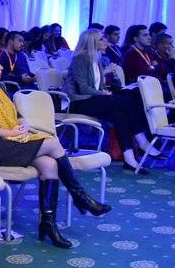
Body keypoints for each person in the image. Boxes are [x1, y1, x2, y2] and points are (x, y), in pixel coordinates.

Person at [0, 46, 110, 249]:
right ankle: (80, 196)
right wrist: (10, 133)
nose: (1, 67)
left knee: (49, 165)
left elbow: (17, 114)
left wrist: (23, 124)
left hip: (10, 143)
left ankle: (48, 224)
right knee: (52, 142)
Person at [64, 29, 155, 171]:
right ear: (92, 42)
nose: (105, 41)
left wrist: (105, 89)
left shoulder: (96, 58)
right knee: (126, 101)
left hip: (92, 99)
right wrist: (103, 93)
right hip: (78, 102)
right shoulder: (80, 59)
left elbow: (98, 86)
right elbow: (83, 89)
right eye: (102, 39)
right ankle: (142, 141)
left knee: (120, 114)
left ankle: (129, 159)